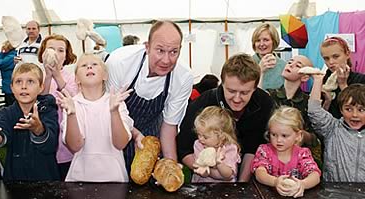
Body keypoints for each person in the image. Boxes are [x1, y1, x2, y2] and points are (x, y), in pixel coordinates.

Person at [107, 20, 193, 172]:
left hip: (152, 136)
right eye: (160, 50)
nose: (166, 60)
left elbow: (169, 127)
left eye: (174, 52)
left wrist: (170, 167)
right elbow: (108, 109)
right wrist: (134, 134)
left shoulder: (183, 77)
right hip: (116, 131)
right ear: (147, 47)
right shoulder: (119, 62)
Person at [177, 53, 274, 182]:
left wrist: (241, 186)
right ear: (221, 83)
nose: (237, 99)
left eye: (245, 92)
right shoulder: (203, 103)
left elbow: (253, 148)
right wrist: (210, 173)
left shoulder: (264, 103)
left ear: (255, 88)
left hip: (247, 173)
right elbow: (184, 148)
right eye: (231, 91)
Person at [57, 53, 133, 182]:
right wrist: (71, 115)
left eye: (94, 64)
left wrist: (114, 111)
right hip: (79, 180)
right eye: (84, 65)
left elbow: (120, 144)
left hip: (115, 180)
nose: (89, 67)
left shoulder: (117, 102)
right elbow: (75, 146)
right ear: (76, 79)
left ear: (105, 75)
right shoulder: (71, 104)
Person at [0, 63, 60, 181]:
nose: (24, 86)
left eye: (30, 81)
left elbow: (50, 145)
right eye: (18, 82)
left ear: (41, 87)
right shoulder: (6, 113)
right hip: (14, 181)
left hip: (46, 179)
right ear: (11, 87)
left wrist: (38, 129)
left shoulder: (48, 109)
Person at [252, 107, 321, 198]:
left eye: (284, 136)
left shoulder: (302, 154)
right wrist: (275, 181)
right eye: (273, 135)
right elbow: (260, 173)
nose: (278, 140)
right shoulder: (264, 151)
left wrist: (303, 184)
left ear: (298, 136)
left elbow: (315, 175)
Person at [266, 55, 321, 165]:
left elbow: (316, 138)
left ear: (305, 77)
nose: (291, 65)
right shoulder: (269, 95)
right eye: (290, 62)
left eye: (298, 65)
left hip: (299, 160)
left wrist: (299, 134)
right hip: (270, 157)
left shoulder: (307, 102)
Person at [309, 73, 365, 182]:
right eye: (348, 109)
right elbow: (314, 110)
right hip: (334, 191)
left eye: (361, 110)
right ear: (341, 110)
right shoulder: (332, 128)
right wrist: (318, 80)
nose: (354, 115)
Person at [39, 34, 77, 180]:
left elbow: (74, 99)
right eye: (50, 49)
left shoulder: (72, 78)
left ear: (67, 55)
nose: (55, 53)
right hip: (44, 135)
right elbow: (40, 100)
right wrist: (48, 76)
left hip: (65, 140)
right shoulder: (38, 76)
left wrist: (57, 75)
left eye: (61, 50)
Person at [191, 106, 240, 183]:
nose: (200, 139)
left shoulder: (230, 148)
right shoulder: (199, 145)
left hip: (225, 188)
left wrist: (219, 164)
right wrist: (204, 172)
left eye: (205, 137)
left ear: (221, 136)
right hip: (201, 185)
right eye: (199, 134)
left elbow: (228, 175)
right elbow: (200, 168)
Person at [320, 36, 365, 118]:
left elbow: (359, 112)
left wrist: (343, 85)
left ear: (347, 54)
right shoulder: (322, 81)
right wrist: (327, 101)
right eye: (326, 58)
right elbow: (317, 117)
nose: (331, 62)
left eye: (335, 56)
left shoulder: (360, 79)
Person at [251, 23, 286, 90]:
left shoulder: (283, 66)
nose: (261, 44)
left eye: (266, 40)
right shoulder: (247, 64)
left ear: (274, 41)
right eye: (258, 40)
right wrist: (259, 70)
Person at [0, 40, 17, 107]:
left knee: (10, 106)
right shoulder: (13, 55)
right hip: (12, 86)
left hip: (9, 87)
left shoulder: (10, 57)